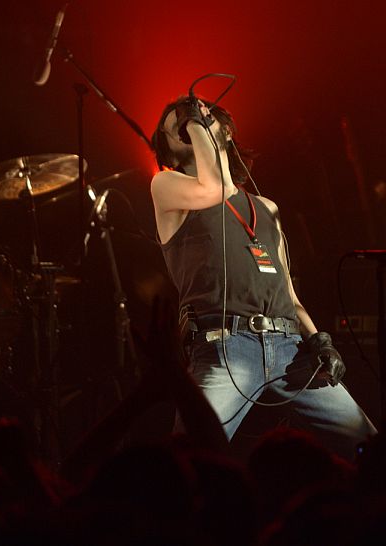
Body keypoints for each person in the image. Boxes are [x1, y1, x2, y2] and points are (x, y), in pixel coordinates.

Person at [150, 94, 376, 461]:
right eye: (180, 123)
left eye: (201, 114)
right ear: (170, 148)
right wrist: (195, 122)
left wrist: (319, 340)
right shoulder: (166, 186)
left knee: (366, 444)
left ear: (226, 130)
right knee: (187, 459)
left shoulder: (267, 208)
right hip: (226, 348)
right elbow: (216, 188)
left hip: (290, 349)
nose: (192, 119)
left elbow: (289, 293)